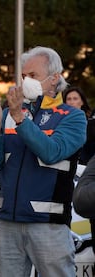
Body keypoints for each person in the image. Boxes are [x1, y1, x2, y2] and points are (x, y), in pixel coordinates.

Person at [0, 46, 87, 276]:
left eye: (33, 76)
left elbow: (51, 152)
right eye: (24, 76)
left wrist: (20, 118)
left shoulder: (72, 116)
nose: (26, 81)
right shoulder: (12, 113)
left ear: (54, 78)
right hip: (8, 221)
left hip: (48, 224)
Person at [63, 86, 95, 256]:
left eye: (75, 99)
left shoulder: (91, 124)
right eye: (69, 99)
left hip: (86, 179)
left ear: (82, 101)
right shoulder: (59, 123)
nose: (72, 102)